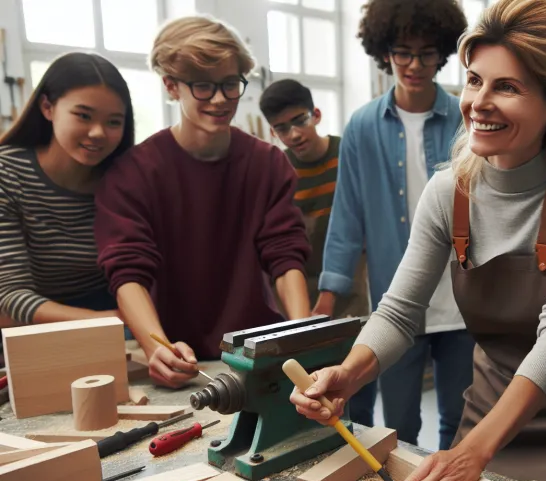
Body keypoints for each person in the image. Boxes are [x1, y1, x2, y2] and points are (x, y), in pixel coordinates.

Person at [290, 0, 546, 481]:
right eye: (474, 81)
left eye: (507, 87)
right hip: (492, 407)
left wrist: (472, 453)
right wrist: (348, 374)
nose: (479, 102)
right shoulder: (450, 192)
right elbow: (398, 312)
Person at [95, 15, 312, 389]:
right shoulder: (133, 173)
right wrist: (155, 347)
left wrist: (304, 334)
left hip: (256, 358)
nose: (220, 99)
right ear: (170, 86)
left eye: (230, 84)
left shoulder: (267, 163)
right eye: (202, 87)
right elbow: (128, 272)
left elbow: (284, 254)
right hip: (177, 360)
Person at [314, 0, 473, 451]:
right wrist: (325, 305)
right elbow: (347, 220)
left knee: (460, 425)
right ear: (385, 51)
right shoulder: (363, 126)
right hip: (397, 305)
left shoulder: (468, 118)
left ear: (442, 52)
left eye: (426, 53)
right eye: (403, 52)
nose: (415, 65)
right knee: (399, 427)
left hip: (464, 300)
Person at [0, 52, 133, 329]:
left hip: (113, 315)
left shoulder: (126, 178)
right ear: (47, 107)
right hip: (30, 324)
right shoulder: (7, 173)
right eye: (83, 115)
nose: (98, 132)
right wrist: (110, 320)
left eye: (113, 122)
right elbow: (11, 295)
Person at [258, 79, 370, 320]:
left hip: (349, 291)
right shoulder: (276, 170)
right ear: (272, 132)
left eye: (300, 121)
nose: (294, 134)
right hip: (294, 294)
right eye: (282, 129)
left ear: (316, 115)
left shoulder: (347, 155)